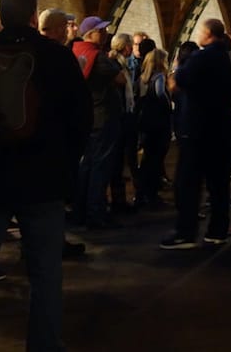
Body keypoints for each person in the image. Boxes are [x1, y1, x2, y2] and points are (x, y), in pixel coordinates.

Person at [0, 0, 91, 352]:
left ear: (0, 15)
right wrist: (65, 165)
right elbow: (80, 119)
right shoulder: (57, 58)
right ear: (33, 16)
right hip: (42, 180)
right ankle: (43, 344)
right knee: (45, 272)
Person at [160, 20, 231, 249]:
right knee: (219, 185)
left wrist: (177, 77)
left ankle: (185, 232)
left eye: (201, 31)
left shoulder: (202, 58)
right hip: (222, 130)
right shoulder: (228, 58)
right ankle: (217, 231)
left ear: (209, 34)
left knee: (187, 183)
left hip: (198, 130)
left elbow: (178, 81)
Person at [72, 16, 123, 228]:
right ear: (90, 33)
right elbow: (119, 78)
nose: (104, 34)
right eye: (100, 31)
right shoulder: (98, 57)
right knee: (100, 167)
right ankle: (96, 214)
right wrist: (113, 60)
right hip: (103, 116)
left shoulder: (77, 52)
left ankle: (82, 211)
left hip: (88, 116)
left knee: (87, 166)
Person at [134, 44, 171, 207]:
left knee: (147, 159)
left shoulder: (142, 78)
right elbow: (160, 93)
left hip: (145, 122)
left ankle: (141, 194)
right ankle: (152, 195)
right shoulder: (160, 77)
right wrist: (169, 105)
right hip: (159, 123)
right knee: (156, 159)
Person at [107, 33, 139, 213]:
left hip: (124, 116)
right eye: (129, 46)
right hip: (118, 117)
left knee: (119, 161)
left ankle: (119, 200)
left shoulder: (121, 64)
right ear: (125, 47)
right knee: (116, 161)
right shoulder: (115, 64)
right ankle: (117, 201)